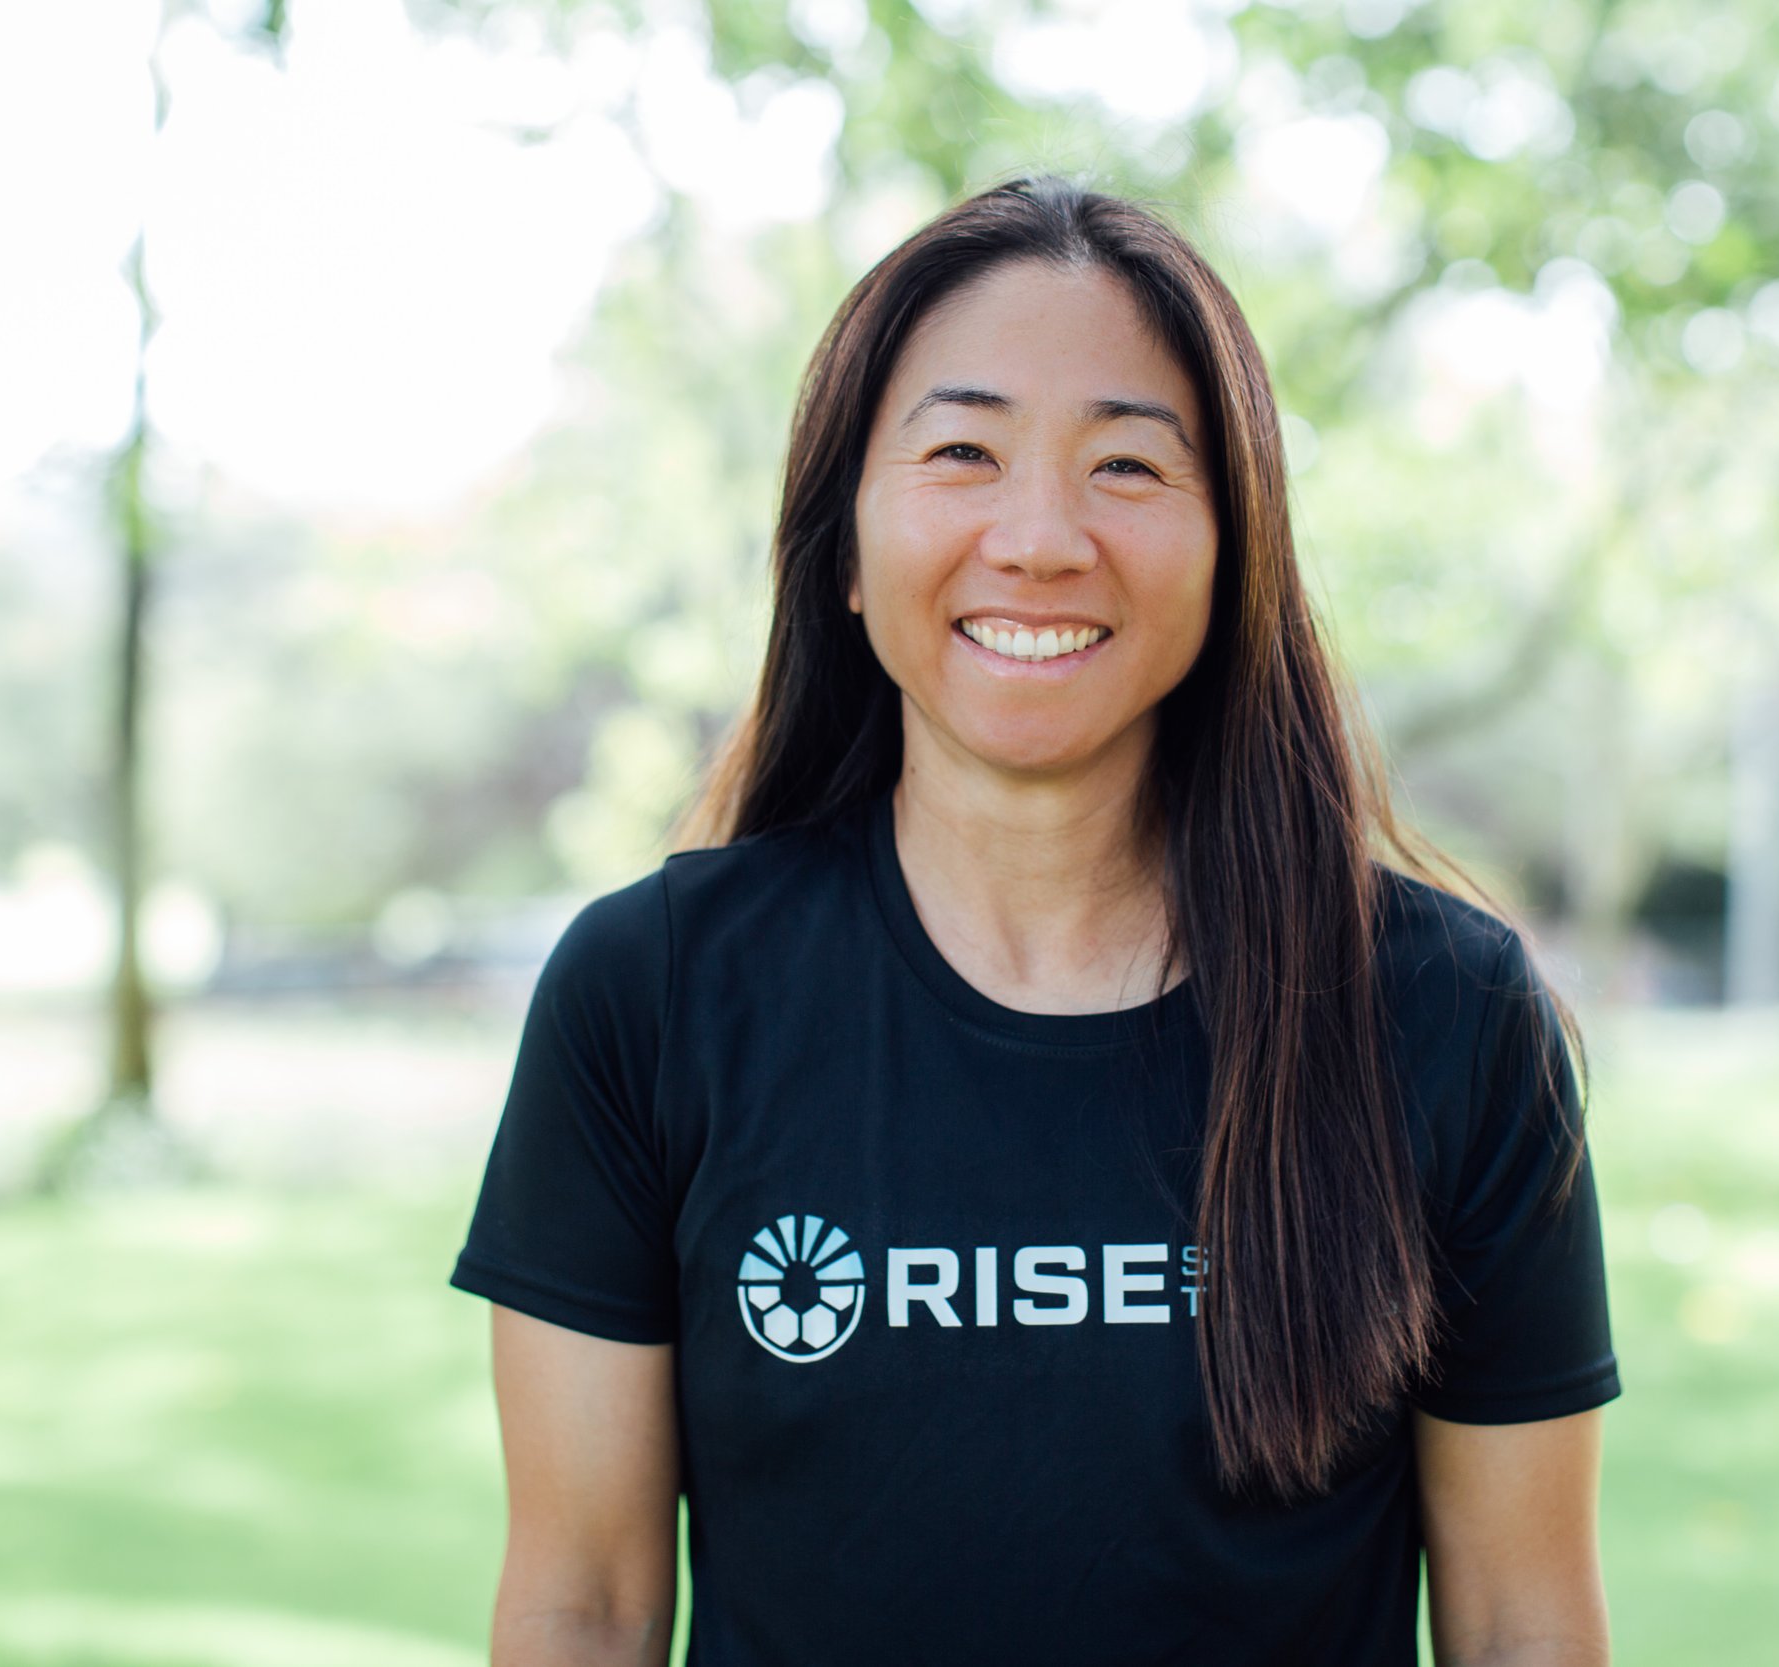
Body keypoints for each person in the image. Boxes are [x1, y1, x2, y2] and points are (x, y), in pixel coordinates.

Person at [448, 173, 1621, 1667]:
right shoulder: (653, 993)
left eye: (1127, 466)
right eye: (963, 452)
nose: (1042, 537)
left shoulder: (1445, 1013)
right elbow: (584, 1609)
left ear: (1235, 551)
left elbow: (1523, 1626)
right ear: (845, 549)